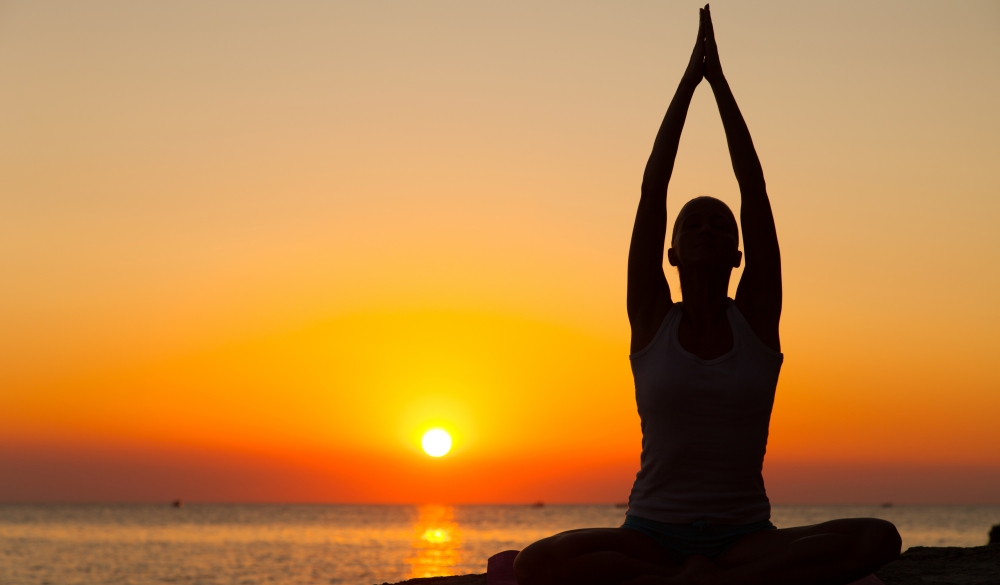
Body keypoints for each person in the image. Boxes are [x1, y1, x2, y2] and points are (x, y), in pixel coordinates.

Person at [513, 6, 901, 585]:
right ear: (670, 253)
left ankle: (710, 581)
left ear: (738, 256)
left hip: (744, 537)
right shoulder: (650, 320)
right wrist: (687, 84)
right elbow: (653, 190)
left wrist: (719, 84)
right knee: (537, 562)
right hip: (651, 534)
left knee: (879, 537)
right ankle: (691, 580)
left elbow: (755, 190)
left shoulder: (756, 321)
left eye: (721, 228)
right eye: (693, 225)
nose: (708, 230)